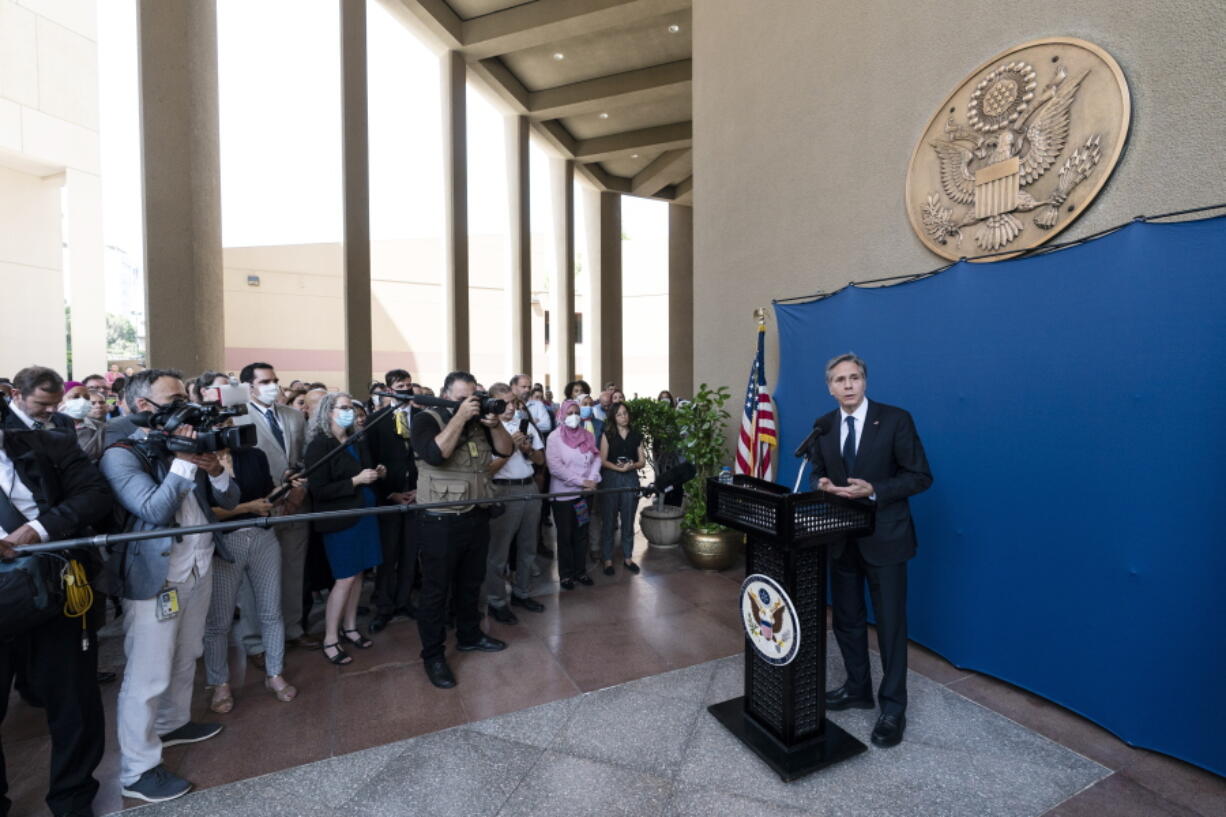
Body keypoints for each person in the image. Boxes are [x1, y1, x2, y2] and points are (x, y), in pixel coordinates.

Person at [99, 368, 240, 803]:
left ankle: (173, 723)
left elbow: (229, 500)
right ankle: (137, 771)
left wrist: (215, 469)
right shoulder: (121, 454)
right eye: (176, 400)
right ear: (144, 406)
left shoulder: (186, 441)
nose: (189, 406)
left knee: (186, 655)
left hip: (198, 567)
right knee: (147, 674)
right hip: (157, 578)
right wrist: (183, 460)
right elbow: (153, 511)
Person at [807, 353, 933, 749]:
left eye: (855, 377)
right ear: (829, 387)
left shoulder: (896, 419)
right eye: (840, 380)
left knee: (891, 625)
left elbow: (920, 476)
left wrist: (875, 489)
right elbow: (815, 471)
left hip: (887, 538)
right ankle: (858, 688)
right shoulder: (824, 426)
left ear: (865, 382)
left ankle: (893, 707)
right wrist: (822, 485)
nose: (848, 385)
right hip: (842, 539)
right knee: (846, 619)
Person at [0, 400, 112, 817]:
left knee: (73, 702)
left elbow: (95, 494)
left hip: (58, 586)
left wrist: (37, 528)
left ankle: (72, 798)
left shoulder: (51, 443)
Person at [409, 371, 513, 689]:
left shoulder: (481, 420)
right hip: (440, 519)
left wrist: (496, 425)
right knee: (436, 591)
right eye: (460, 398)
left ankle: (469, 635)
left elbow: (506, 451)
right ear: (444, 395)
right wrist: (458, 417)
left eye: (473, 398)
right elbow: (435, 455)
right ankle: (433, 656)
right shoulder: (426, 418)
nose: (469, 404)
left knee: (471, 583)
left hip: (476, 513)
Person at [202, 434, 301, 713]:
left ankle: (275, 673)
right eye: (218, 421)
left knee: (271, 611)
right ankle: (219, 682)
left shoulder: (252, 455)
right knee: (219, 621)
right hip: (224, 543)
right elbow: (204, 511)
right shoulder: (200, 460)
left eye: (229, 420)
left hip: (262, 536)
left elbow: (267, 496)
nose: (225, 428)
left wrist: (286, 488)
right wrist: (248, 508)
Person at [234, 362, 320, 652]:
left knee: (294, 570)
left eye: (275, 380)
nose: (273, 386)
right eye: (265, 382)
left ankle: (293, 628)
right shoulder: (237, 418)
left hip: (296, 505)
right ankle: (255, 641)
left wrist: (300, 488)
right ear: (249, 387)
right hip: (261, 506)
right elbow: (236, 464)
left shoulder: (294, 416)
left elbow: (307, 458)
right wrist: (276, 492)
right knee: (254, 579)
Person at [304, 392, 385, 666]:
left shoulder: (356, 440)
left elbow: (364, 472)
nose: (349, 412)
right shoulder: (319, 445)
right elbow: (319, 489)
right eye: (344, 408)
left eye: (351, 407)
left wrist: (376, 473)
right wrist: (356, 480)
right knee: (344, 578)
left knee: (359, 573)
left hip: (364, 514)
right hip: (341, 520)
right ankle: (330, 637)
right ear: (329, 412)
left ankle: (350, 627)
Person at [482, 385, 546, 623]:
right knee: (498, 551)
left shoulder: (525, 425)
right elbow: (485, 470)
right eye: (504, 403)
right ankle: (496, 600)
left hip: (528, 486)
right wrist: (509, 449)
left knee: (528, 546)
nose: (510, 407)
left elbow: (541, 460)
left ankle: (522, 592)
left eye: (513, 402)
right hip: (502, 489)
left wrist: (527, 448)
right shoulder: (485, 430)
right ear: (493, 404)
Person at [367, 369, 419, 634]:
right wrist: (390, 493)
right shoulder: (375, 421)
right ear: (388, 390)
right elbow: (370, 461)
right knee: (388, 556)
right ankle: (384, 606)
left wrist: (418, 490)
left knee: (410, 553)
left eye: (409, 385)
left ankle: (405, 600)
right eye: (401, 385)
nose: (406, 389)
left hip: (417, 497)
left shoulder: (421, 418)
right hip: (389, 498)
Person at [545, 399, 601, 590]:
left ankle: (580, 571)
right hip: (563, 498)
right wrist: (582, 481)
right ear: (561, 415)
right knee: (565, 536)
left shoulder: (587, 435)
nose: (574, 416)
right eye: (569, 413)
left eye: (577, 412)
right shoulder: (554, 438)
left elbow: (596, 457)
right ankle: (566, 575)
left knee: (581, 534)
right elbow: (555, 468)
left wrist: (592, 479)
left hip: (583, 497)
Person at [598, 402, 645, 575]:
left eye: (625, 413)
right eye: (619, 414)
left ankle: (628, 557)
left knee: (628, 519)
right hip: (611, 478)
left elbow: (642, 461)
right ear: (613, 417)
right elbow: (603, 460)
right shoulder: (607, 434)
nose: (623, 417)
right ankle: (608, 559)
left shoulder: (636, 435)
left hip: (630, 478)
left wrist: (631, 466)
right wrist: (619, 468)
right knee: (609, 520)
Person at [4, 366, 73, 433]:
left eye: (56, 403)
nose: (51, 410)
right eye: (43, 404)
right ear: (16, 394)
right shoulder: (3, 425)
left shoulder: (65, 421)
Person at [60, 384, 106, 461]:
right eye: (75, 397)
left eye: (86, 398)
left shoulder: (100, 427)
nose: (82, 401)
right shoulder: (49, 426)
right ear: (60, 400)